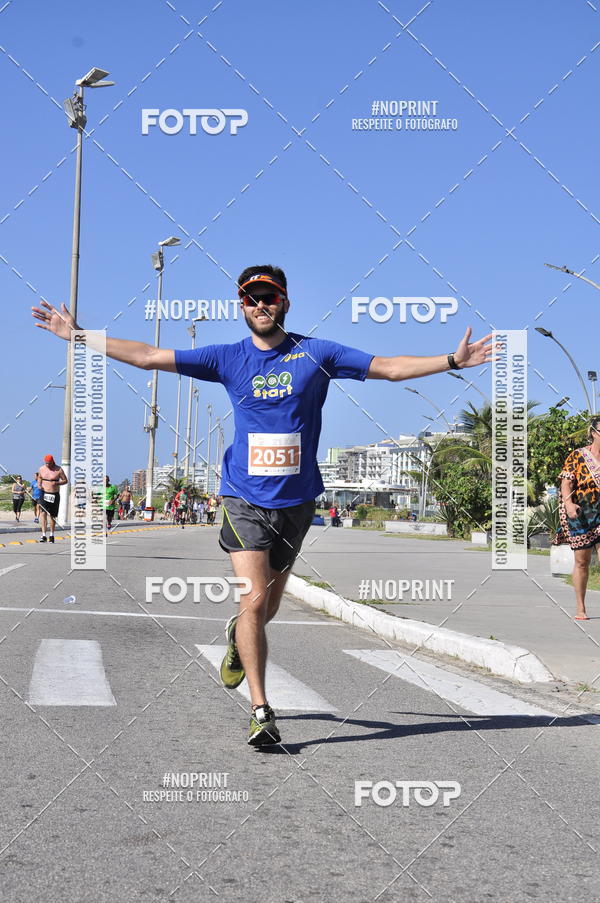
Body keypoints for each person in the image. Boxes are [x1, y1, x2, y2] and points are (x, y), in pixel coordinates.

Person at [32, 264, 493, 746]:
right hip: (243, 497)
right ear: (241, 307)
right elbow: (148, 356)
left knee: (267, 606)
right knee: (253, 600)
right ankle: (261, 709)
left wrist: (452, 360)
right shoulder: (227, 358)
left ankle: (238, 636)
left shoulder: (317, 353)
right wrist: (79, 337)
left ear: (285, 302)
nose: (260, 306)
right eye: (251, 299)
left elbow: (391, 368)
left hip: (297, 501)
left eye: (269, 297)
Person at [553, 416, 600, 620]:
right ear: (593, 433)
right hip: (581, 514)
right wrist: (569, 504)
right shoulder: (577, 456)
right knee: (582, 561)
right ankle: (581, 608)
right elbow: (566, 483)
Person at [37, 454, 67, 543]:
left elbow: (65, 480)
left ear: (52, 461)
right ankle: (43, 535)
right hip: (44, 493)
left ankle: (52, 535)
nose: (48, 465)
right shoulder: (41, 469)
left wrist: (57, 483)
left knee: (52, 516)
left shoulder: (58, 469)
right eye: (46, 463)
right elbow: (39, 477)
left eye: (49, 463)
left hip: (54, 494)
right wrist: (39, 485)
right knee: (43, 514)